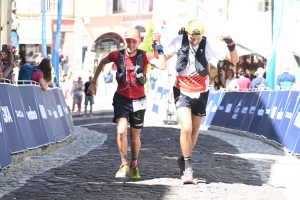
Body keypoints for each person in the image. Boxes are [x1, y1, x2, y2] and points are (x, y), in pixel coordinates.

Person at [152, 19, 238, 183]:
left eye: (198, 38)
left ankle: (183, 159)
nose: (195, 41)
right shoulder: (178, 41)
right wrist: (157, 45)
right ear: (188, 34)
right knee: (186, 127)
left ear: (202, 35)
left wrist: (230, 41)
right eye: (192, 37)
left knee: (195, 131)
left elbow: (234, 59)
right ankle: (188, 168)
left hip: (201, 92)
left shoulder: (209, 45)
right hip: (182, 90)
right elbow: (162, 61)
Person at [87, 28, 167, 179]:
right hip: (121, 98)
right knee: (121, 130)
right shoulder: (117, 55)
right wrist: (93, 82)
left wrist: (159, 46)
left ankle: (134, 165)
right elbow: (102, 62)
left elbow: (163, 65)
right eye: (128, 41)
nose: (130, 44)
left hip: (139, 100)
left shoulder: (145, 55)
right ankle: (123, 164)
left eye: (133, 41)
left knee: (135, 137)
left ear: (139, 42)